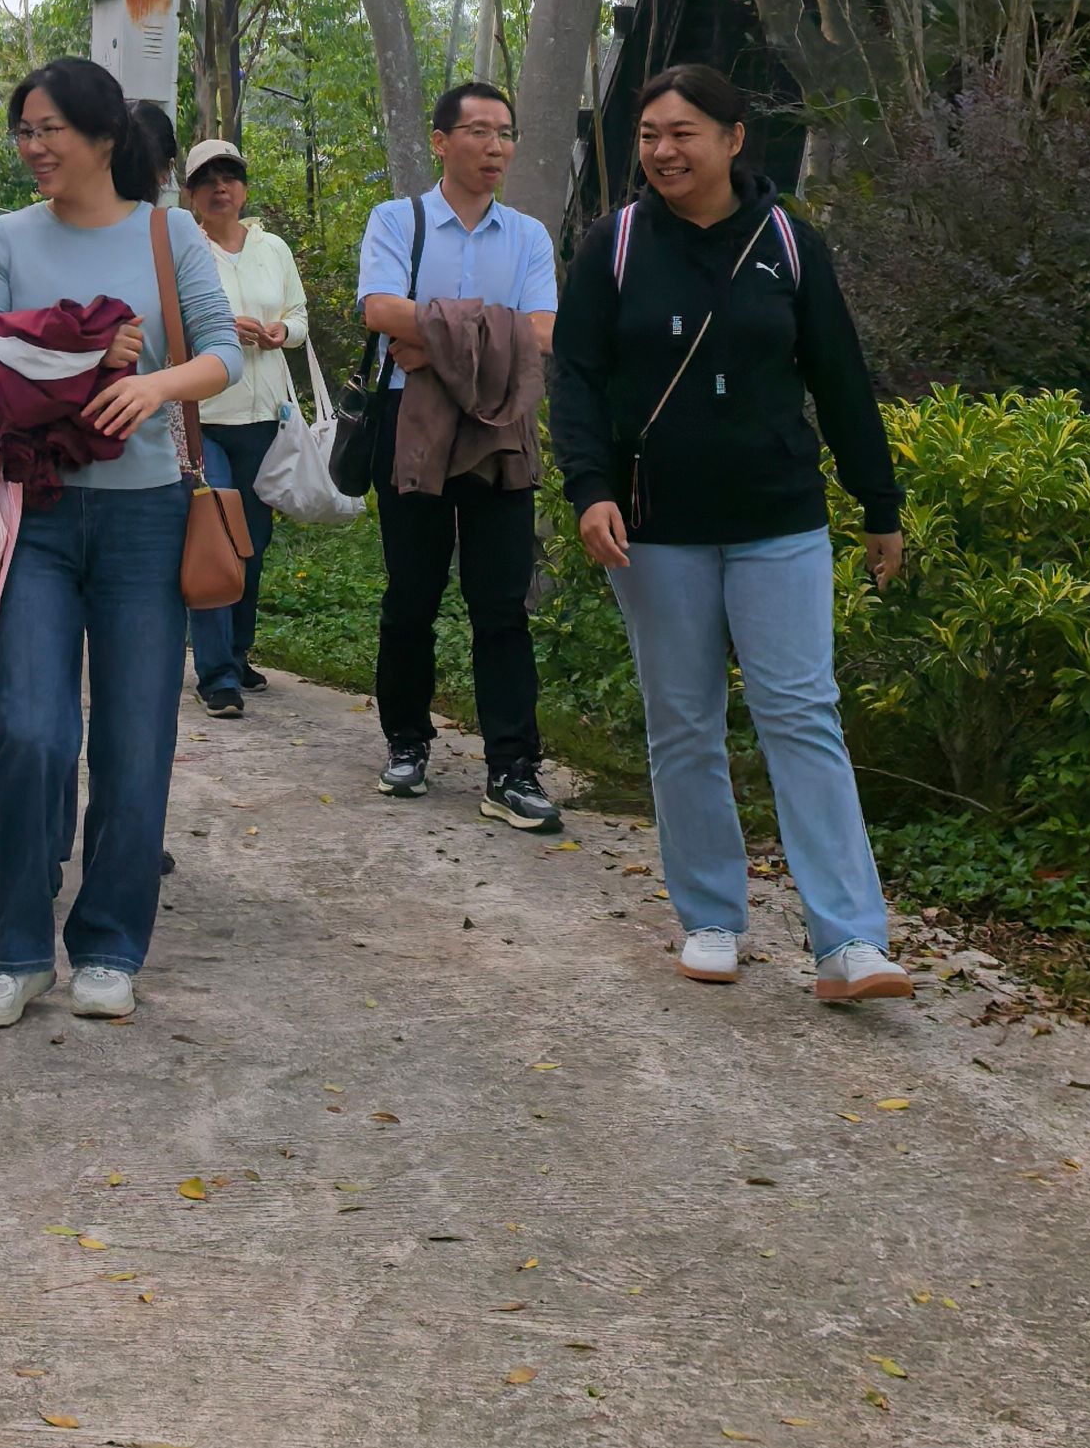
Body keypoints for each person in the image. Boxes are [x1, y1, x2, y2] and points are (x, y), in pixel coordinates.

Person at [550, 57, 914, 1003]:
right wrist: (589, 489)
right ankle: (711, 916)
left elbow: (839, 376)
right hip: (656, 528)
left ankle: (851, 940)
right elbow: (576, 376)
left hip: (776, 520)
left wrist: (878, 504)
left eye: (683, 133)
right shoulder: (613, 246)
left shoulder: (790, 242)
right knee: (683, 724)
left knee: (803, 716)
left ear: (733, 138)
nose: (663, 151)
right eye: (649, 136)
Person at [0, 59, 237, 1030]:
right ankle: (15, 947)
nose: (33, 147)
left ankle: (110, 944)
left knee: (133, 739)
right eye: (23, 130)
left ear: (105, 138)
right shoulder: (6, 239)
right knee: (31, 729)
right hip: (29, 514)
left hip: (147, 515)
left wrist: (153, 383)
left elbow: (222, 355)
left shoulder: (168, 232)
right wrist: (74, 346)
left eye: (50, 130)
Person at [355, 79, 562, 828]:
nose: (495, 147)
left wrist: (433, 337)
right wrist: (487, 332)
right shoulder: (397, 220)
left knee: (501, 603)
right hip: (409, 423)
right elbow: (380, 310)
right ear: (441, 142)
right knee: (411, 594)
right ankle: (407, 741)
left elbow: (544, 332)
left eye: (505, 133)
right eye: (479, 131)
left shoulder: (529, 236)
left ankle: (512, 767)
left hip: (500, 427)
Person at [175, 136, 307, 714]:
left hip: (265, 418)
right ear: (191, 195)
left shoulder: (272, 248)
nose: (220, 188)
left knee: (252, 540)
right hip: (204, 417)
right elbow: (170, 323)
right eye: (207, 181)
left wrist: (283, 332)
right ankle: (216, 675)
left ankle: (236, 650)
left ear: (244, 188)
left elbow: (298, 315)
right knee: (214, 535)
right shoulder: (184, 249)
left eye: (229, 177)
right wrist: (221, 325)